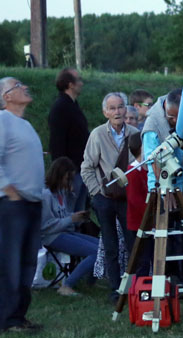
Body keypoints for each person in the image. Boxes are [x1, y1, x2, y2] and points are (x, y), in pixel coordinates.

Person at [0, 76, 45, 333]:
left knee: (27, 263)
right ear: (7, 96)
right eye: (19, 86)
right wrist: (10, 191)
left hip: (30, 202)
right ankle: (6, 321)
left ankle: (18, 316)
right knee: (11, 263)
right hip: (11, 203)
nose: (26, 87)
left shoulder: (25, 125)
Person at [80, 91, 140, 302]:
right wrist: (97, 193)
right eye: (112, 108)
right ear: (105, 112)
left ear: (126, 109)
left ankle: (137, 286)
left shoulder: (134, 133)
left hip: (129, 198)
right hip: (105, 199)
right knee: (110, 245)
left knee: (134, 243)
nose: (117, 111)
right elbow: (87, 167)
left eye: (120, 107)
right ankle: (116, 289)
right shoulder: (97, 134)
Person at [40, 158, 97, 297]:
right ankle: (67, 285)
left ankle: (89, 282)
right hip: (52, 236)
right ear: (58, 176)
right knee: (95, 252)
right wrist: (71, 219)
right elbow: (46, 226)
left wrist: (77, 217)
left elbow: (63, 216)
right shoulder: (45, 195)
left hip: (64, 232)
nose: (70, 182)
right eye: (68, 179)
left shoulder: (61, 193)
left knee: (103, 247)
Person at [47, 68, 89, 210]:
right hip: (70, 173)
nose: (82, 83)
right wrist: (64, 175)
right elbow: (57, 144)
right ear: (70, 84)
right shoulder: (60, 108)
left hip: (79, 170)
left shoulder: (72, 106)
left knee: (79, 213)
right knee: (69, 213)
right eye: (79, 80)